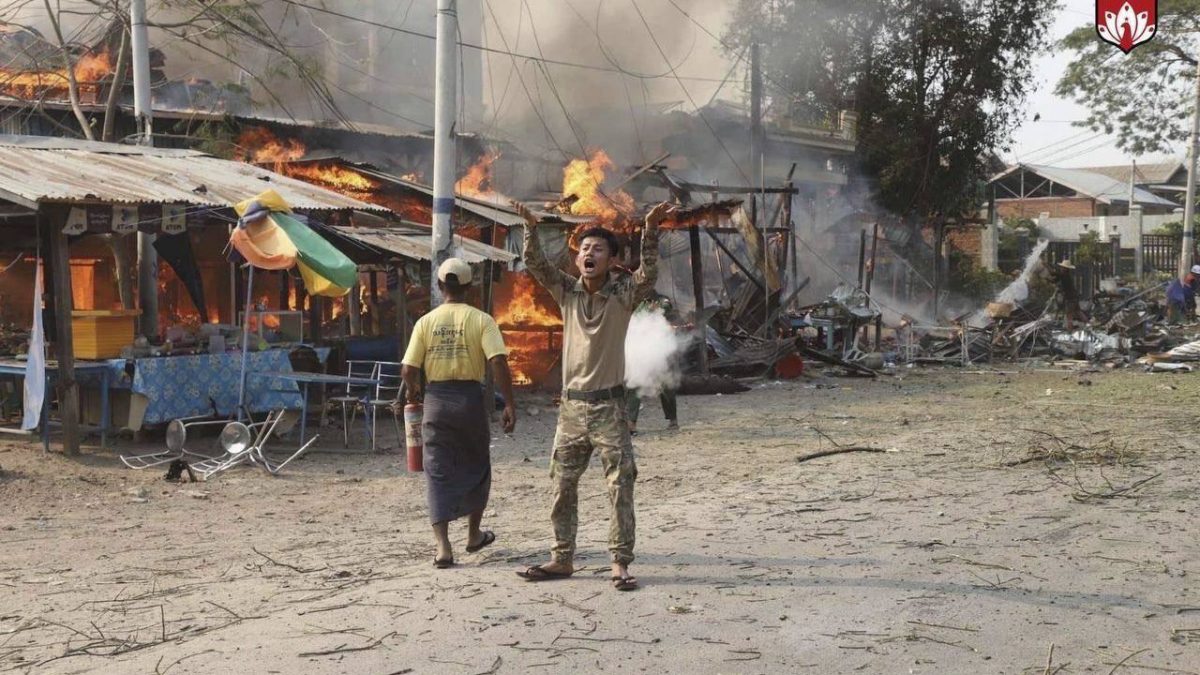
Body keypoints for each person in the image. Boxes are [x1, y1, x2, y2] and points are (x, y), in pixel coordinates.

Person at [513, 200, 673, 591]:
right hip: (571, 408)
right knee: (561, 484)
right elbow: (536, 265)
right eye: (584, 248)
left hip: (609, 407)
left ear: (612, 259)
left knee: (620, 485)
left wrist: (650, 229)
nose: (588, 253)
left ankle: (620, 563)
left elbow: (648, 273)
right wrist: (531, 228)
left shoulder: (622, 292)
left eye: (598, 248)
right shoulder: (566, 290)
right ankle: (561, 558)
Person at [401, 258, 517, 569]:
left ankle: (443, 548)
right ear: (469, 288)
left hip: (436, 401)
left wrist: (413, 392)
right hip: (470, 401)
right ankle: (474, 534)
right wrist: (509, 403)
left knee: (437, 470)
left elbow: (408, 368)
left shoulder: (425, 322)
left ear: (439, 287)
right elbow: (498, 362)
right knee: (477, 465)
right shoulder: (482, 320)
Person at [625, 292, 680, 435]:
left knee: (666, 386)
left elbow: (665, 308)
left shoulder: (662, 300)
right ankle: (631, 423)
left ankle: (673, 419)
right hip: (643, 349)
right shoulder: (639, 303)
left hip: (661, 349)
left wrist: (653, 309)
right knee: (635, 382)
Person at [1050, 259, 1085, 331]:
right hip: (1074, 296)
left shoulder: (1063, 275)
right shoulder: (1065, 276)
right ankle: (1089, 324)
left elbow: (1053, 274)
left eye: (1062, 267)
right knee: (1078, 312)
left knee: (1069, 314)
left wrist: (1046, 266)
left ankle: (1070, 328)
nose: (1061, 268)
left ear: (1065, 269)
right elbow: (1054, 280)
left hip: (1070, 298)